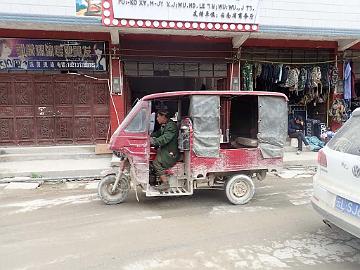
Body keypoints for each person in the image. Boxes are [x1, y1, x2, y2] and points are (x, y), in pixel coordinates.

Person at [150, 109, 179, 191]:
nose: (157, 119)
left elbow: (164, 138)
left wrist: (153, 141)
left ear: (163, 116)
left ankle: (165, 183)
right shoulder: (165, 125)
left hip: (170, 152)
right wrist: (149, 136)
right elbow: (158, 133)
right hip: (165, 149)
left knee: (156, 163)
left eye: (158, 116)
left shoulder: (171, 126)